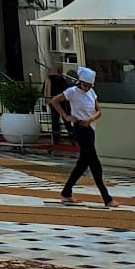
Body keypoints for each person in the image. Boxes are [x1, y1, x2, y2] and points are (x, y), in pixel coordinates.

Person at [50, 65, 114, 208]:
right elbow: (55, 101)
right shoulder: (72, 92)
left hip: (90, 128)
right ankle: (106, 197)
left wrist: (90, 119)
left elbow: (99, 111)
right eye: (84, 85)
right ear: (80, 82)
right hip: (80, 129)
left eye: (89, 86)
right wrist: (66, 116)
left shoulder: (91, 93)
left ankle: (66, 192)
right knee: (95, 163)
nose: (86, 88)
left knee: (82, 164)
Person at [43, 63, 70, 145]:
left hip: (52, 101)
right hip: (62, 101)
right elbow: (66, 89)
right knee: (66, 119)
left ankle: (56, 138)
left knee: (55, 120)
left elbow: (44, 90)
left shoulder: (48, 80)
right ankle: (72, 136)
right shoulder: (61, 79)